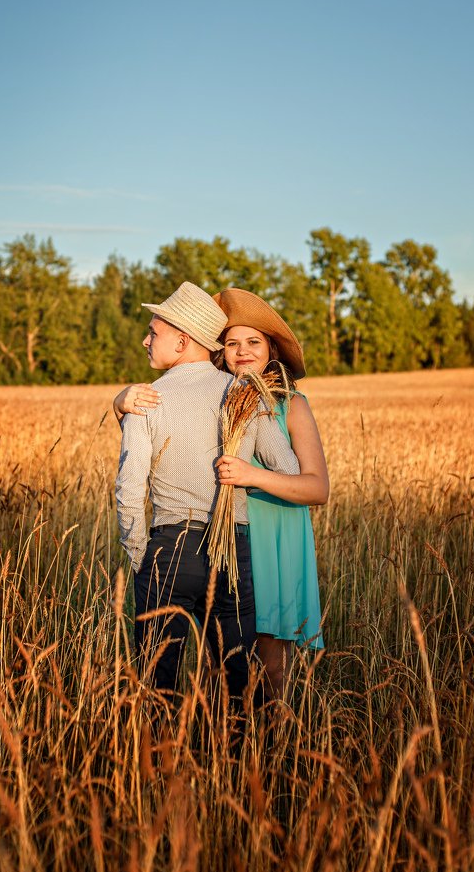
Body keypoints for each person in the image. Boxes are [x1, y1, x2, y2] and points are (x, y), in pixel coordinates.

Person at [115, 287, 328, 700]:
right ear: (218, 347)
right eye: (233, 343)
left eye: (152, 332)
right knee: (236, 682)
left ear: (181, 341)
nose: (145, 340)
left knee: (157, 684)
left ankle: (156, 761)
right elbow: (286, 467)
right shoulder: (245, 396)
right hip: (233, 547)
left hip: (175, 548)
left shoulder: (147, 399)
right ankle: (236, 760)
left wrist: (142, 556)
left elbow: (129, 488)